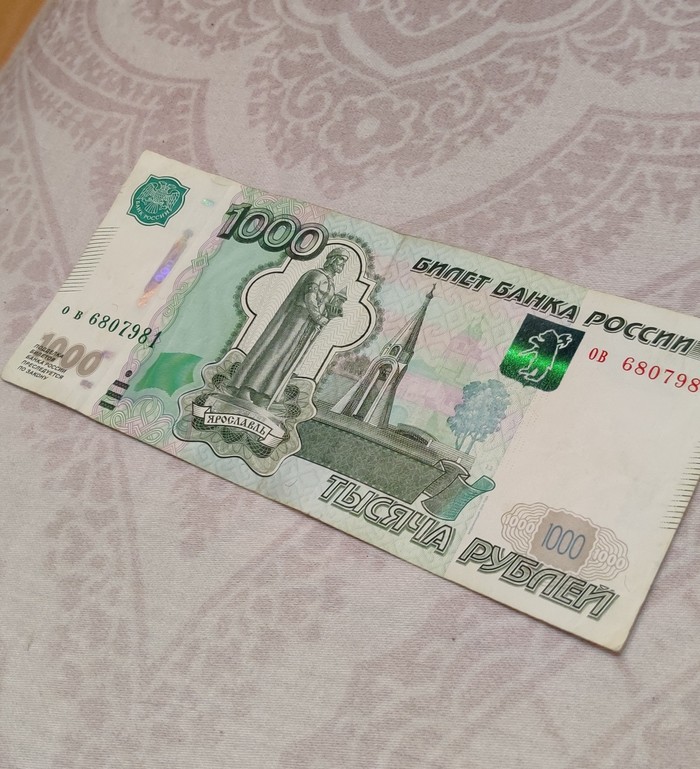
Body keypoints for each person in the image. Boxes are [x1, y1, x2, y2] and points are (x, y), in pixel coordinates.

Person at [229, 248, 349, 408]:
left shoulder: (331, 283)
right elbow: (310, 298)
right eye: (341, 259)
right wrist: (319, 317)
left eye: (345, 261)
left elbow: (325, 305)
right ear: (332, 259)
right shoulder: (316, 275)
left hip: (308, 325)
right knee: (276, 352)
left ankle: (263, 394)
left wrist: (331, 314)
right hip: (296, 319)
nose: (342, 264)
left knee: (288, 358)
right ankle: (246, 388)